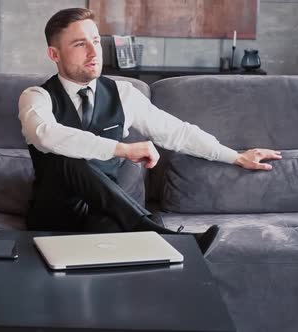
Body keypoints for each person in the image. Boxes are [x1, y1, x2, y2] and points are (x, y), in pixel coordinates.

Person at [17, 8, 282, 254]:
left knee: (110, 260)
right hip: (53, 216)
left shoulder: (122, 95)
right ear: (54, 54)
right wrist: (122, 149)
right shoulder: (36, 97)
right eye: (79, 44)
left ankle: (144, 237)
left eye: (96, 41)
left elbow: (177, 132)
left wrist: (235, 156)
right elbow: (46, 135)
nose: (94, 52)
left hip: (105, 214)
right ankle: (153, 231)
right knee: (66, 158)